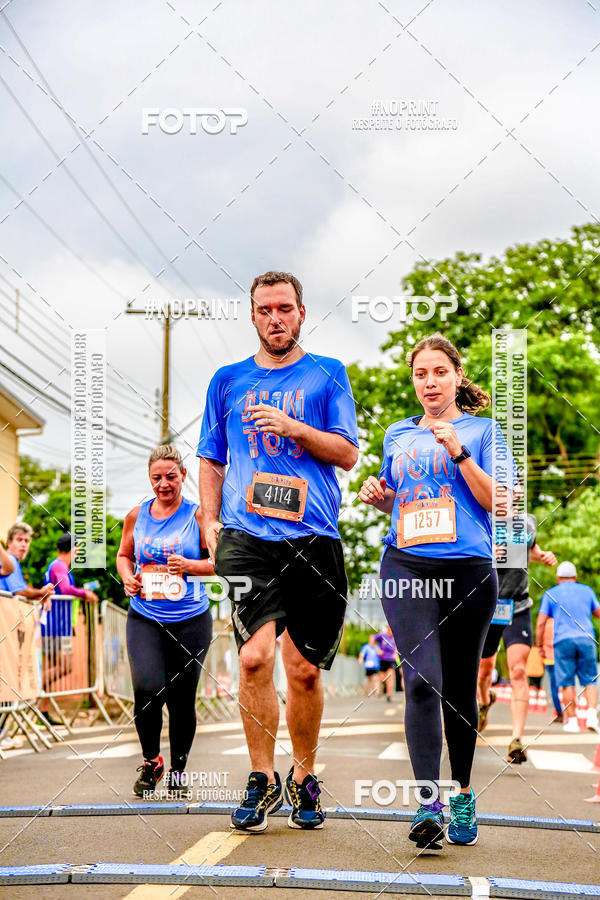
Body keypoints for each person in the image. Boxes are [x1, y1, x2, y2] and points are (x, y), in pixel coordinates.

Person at [198, 270, 359, 832]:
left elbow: (347, 454)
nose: (275, 318)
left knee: (305, 671)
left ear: (301, 313)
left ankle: (304, 777)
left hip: (313, 537)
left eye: (284, 308)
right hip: (247, 538)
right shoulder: (227, 380)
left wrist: (293, 427)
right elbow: (211, 457)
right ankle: (261, 777)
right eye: (265, 310)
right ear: (252, 316)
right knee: (253, 658)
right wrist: (210, 519)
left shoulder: (328, 374)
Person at [359, 332, 515, 850]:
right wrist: (380, 497)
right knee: (422, 679)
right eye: (421, 374)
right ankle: (428, 804)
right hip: (406, 564)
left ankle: (463, 793)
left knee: (460, 687)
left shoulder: (484, 431)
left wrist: (460, 453)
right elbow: (401, 500)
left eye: (440, 372)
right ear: (413, 380)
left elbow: (502, 504)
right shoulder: (397, 434)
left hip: (468, 569)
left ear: (457, 376)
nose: (430, 382)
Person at [117, 445, 214, 796]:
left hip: (190, 618)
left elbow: (220, 562)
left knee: (181, 698)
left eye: (171, 476)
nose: (163, 484)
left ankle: (178, 771)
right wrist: (127, 577)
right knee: (146, 689)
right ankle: (151, 762)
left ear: (183, 476)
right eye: (156, 477)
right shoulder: (136, 515)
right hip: (145, 616)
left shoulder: (198, 516)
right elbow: (124, 555)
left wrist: (190, 566)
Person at [477, 512, 556, 764]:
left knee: (519, 670)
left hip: (517, 606)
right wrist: (487, 552)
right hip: (487, 605)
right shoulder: (479, 515)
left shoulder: (527, 521)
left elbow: (530, 550)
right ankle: (485, 700)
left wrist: (542, 555)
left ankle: (516, 740)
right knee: (483, 672)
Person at [40, 533, 98, 724]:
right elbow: (65, 589)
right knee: (65, 666)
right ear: (72, 548)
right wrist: (85, 594)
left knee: (50, 668)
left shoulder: (55, 566)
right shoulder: (59, 566)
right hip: (57, 626)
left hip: (54, 625)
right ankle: (31, 688)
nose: (78, 551)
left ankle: (43, 711)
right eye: (77, 548)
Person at [536, 561, 600, 734]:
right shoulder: (587, 591)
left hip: (562, 641)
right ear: (575, 576)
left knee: (566, 682)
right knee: (590, 680)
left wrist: (539, 645)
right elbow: (598, 613)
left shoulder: (551, 594)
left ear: (558, 577)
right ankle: (592, 716)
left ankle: (572, 722)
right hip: (586, 639)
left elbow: (541, 622)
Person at [0, 522, 53, 605]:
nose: (23, 544)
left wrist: (39, 596)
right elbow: (19, 592)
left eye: (27, 541)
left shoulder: (15, 561)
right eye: (19, 540)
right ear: (8, 543)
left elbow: (23, 588)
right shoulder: (11, 560)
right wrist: (41, 592)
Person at [541, 617, 563, 722]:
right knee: (566, 685)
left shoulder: (545, 624)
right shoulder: (560, 622)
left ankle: (559, 712)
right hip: (560, 658)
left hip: (549, 659)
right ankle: (568, 712)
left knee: (554, 687)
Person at [374, 624, 397, 701]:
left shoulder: (395, 637)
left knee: (390, 677)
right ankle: (384, 688)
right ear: (387, 628)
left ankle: (388, 694)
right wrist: (377, 650)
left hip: (391, 660)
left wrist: (395, 653)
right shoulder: (381, 635)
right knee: (383, 679)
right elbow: (372, 640)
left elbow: (397, 647)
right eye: (390, 629)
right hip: (383, 660)